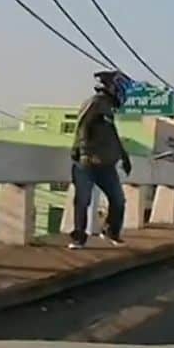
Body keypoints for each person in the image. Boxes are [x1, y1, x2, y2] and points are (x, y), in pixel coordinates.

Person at [68, 70, 133, 249]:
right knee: (83, 199)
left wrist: (124, 156)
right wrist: (82, 152)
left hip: (105, 164)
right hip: (87, 162)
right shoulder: (94, 103)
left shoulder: (108, 109)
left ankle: (111, 232)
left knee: (118, 200)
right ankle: (78, 238)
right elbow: (83, 127)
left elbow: (112, 135)